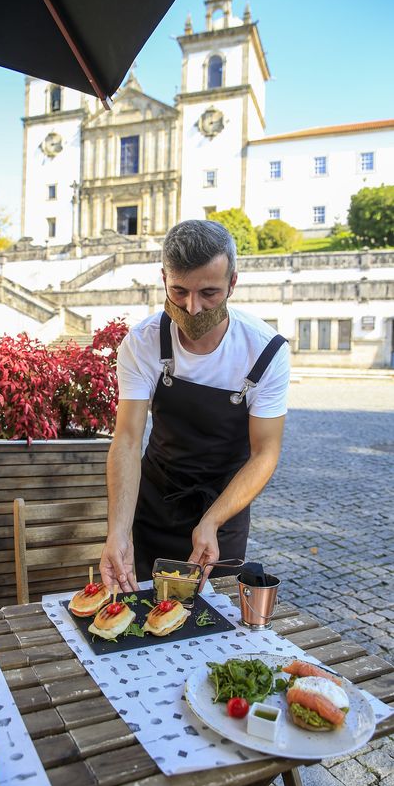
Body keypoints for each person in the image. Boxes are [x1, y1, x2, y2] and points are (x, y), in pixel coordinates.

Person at [100, 219, 290, 592]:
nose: (192, 307)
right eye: (179, 291)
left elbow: (265, 452)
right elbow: (127, 439)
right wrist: (118, 531)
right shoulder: (143, 342)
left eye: (209, 293)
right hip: (155, 503)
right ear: (163, 279)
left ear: (232, 283)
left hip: (224, 506)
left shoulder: (264, 350)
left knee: (212, 615)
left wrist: (213, 521)